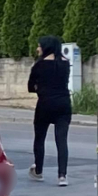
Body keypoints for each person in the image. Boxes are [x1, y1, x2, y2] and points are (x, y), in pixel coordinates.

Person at [28, 36, 72, 187]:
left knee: (40, 138)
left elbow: (30, 86)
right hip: (64, 104)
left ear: (46, 48)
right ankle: (62, 175)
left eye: (39, 46)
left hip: (45, 104)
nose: (37, 49)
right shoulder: (65, 63)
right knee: (61, 140)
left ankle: (39, 170)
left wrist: (40, 88)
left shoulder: (40, 64)